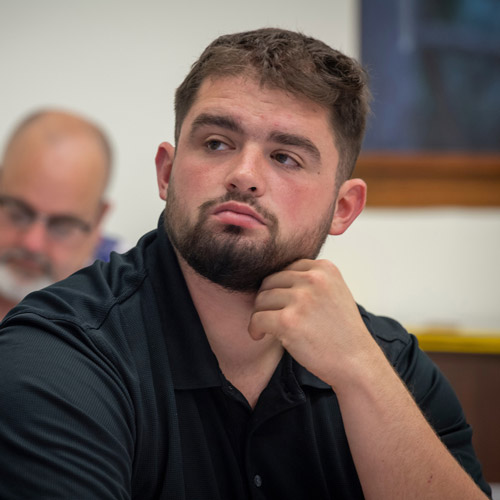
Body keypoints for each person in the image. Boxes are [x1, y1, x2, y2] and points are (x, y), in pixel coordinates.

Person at [0, 28, 492, 499]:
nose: (243, 175)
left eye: (285, 157)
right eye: (217, 143)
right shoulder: (57, 351)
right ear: (168, 173)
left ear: (343, 209)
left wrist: (360, 372)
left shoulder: (393, 364)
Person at [0, 109, 123, 321]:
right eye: (18, 214)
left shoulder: (128, 298)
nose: (32, 243)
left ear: (97, 221)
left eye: (62, 226)